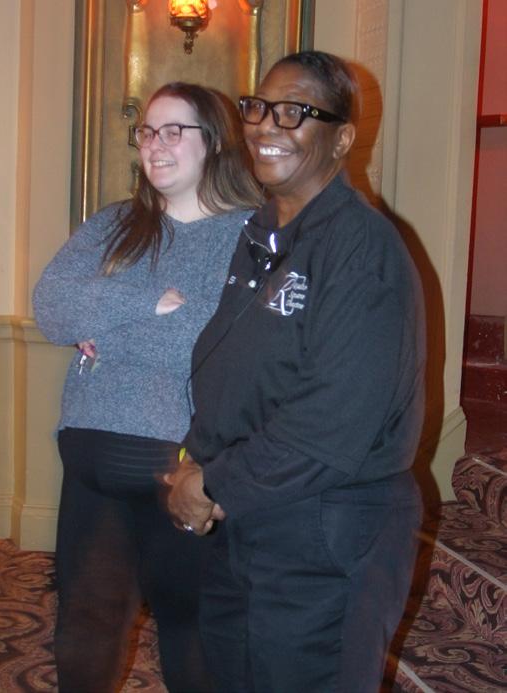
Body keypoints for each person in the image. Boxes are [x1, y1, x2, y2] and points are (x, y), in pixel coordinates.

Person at [166, 51, 426, 692]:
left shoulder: (361, 248)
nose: (265, 125)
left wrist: (211, 483)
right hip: (250, 515)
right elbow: (240, 375)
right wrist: (197, 463)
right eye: (258, 107)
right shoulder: (261, 236)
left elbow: (329, 424)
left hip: (325, 528)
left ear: (342, 138)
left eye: (295, 112)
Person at [32, 82, 262, 693]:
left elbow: (215, 344)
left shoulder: (250, 234)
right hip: (91, 460)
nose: (155, 145)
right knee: (85, 624)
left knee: (192, 632)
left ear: (214, 141)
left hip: (185, 468)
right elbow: (51, 307)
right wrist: (148, 301)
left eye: (173, 131)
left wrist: (103, 322)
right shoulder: (114, 223)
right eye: (147, 131)